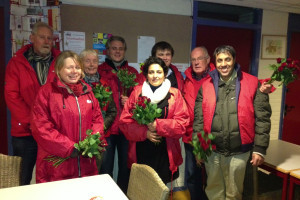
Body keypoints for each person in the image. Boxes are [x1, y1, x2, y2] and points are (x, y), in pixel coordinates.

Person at [193, 45, 272, 200]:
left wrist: (260, 148)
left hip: (239, 153)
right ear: (215, 63)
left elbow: (262, 118)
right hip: (212, 153)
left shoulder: (252, 83)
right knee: (213, 192)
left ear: (234, 60)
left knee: (234, 194)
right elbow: (199, 120)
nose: (224, 64)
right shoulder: (205, 86)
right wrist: (199, 150)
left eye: (227, 59)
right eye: (220, 60)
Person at [30, 50, 104, 183]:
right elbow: (41, 128)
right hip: (57, 167)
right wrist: (69, 148)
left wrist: (91, 142)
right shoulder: (47, 93)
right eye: (69, 67)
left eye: (77, 67)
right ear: (59, 70)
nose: (74, 71)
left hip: (86, 164)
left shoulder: (88, 92)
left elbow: (97, 120)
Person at [4, 22, 60, 185]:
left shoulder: (60, 61)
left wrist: (49, 125)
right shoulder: (17, 63)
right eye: (42, 37)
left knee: (51, 177)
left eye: (49, 38)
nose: (46, 41)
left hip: (53, 131)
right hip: (25, 132)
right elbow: (12, 96)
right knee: (23, 177)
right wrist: (34, 123)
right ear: (32, 38)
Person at [119, 56, 189, 185]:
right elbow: (124, 123)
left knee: (161, 189)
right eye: (151, 72)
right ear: (146, 75)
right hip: (141, 151)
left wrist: (158, 125)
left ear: (165, 74)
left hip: (165, 152)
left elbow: (182, 124)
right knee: (142, 189)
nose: (155, 76)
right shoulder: (136, 93)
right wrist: (145, 133)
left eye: (159, 72)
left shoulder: (175, 94)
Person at [97, 35, 141, 193]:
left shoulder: (132, 72)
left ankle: (123, 195)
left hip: (126, 128)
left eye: (120, 49)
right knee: (105, 168)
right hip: (106, 128)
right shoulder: (99, 71)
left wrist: (131, 101)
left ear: (125, 51)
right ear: (107, 51)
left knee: (126, 167)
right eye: (114, 48)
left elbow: (142, 100)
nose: (117, 51)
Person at [182, 46, 215, 200]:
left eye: (199, 58)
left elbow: (244, 81)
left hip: (210, 135)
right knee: (192, 175)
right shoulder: (186, 79)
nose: (196, 62)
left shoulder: (217, 78)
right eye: (193, 59)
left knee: (211, 176)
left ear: (208, 60)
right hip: (190, 136)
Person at [80, 49, 117, 172]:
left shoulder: (104, 84)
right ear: (81, 63)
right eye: (87, 61)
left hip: (103, 136)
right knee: (85, 173)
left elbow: (112, 111)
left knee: (105, 172)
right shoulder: (76, 85)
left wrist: (100, 129)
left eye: (94, 61)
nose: (91, 65)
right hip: (82, 137)